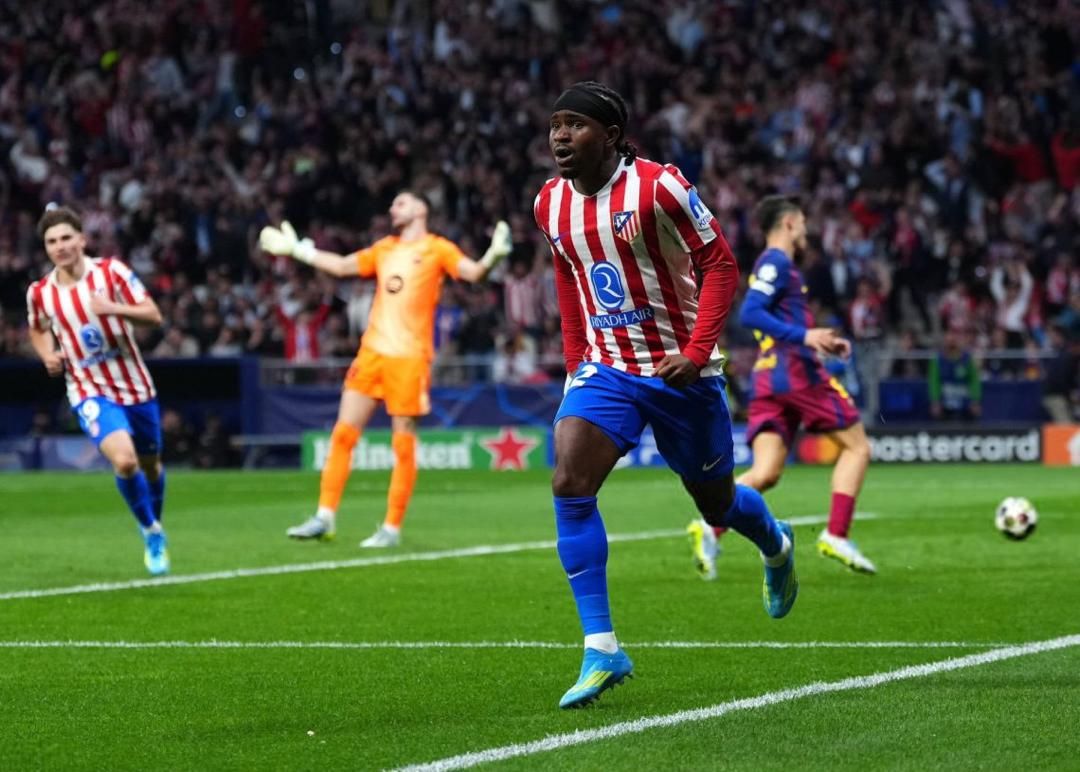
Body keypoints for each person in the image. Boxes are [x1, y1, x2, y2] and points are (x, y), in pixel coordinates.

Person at [536, 82, 798, 710]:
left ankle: (776, 543)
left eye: (575, 125)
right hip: (608, 369)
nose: (561, 137)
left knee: (716, 505)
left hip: (682, 374)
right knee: (570, 480)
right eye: (555, 126)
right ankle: (601, 646)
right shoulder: (550, 203)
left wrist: (700, 347)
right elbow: (570, 283)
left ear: (613, 136)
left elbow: (721, 265)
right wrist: (578, 366)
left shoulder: (661, 186)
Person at [259, 191, 510, 547]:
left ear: (422, 208)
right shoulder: (384, 248)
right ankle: (324, 517)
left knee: (402, 444)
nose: (394, 208)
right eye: (393, 204)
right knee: (343, 434)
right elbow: (344, 266)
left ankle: (391, 528)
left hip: (409, 357)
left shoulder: (438, 248)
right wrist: (298, 250)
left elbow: (474, 273)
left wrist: (494, 256)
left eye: (401, 203)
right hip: (371, 353)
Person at [688, 196, 875, 580]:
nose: (807, 230)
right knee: (858, 447)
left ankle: (710, 526)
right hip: (796, 371)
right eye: (803, 221)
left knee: (766, 472)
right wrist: (806, 336)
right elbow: (750, 311)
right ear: (789, 223)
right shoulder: (777, 262)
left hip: (771, 375)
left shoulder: (773, 266)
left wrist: (817, 339)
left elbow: (766, 315)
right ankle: (837, 533)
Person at [25, 205, 169, 575]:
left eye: (66, 238)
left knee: (152, 468)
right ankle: (151, 531)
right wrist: (47, 356)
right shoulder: (40, 292)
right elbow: (37, 328)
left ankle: (154, 521)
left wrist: (113, 308)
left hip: (136, 387)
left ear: (82, 240)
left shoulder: (111, 272)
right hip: (88, 389)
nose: (60, 247)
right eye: (52, 242)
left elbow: (153, 315)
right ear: (46, 248)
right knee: (125, 460)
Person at [929, 327, 982, 420]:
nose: (952, 340)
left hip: (965, 406)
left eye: (954, 338)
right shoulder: (937, 360)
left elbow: (974, 380)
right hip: (945, 406)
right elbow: (934, 382)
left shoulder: (967, 359)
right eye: (949, 338)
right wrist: (935, 401)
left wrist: (975, 401)